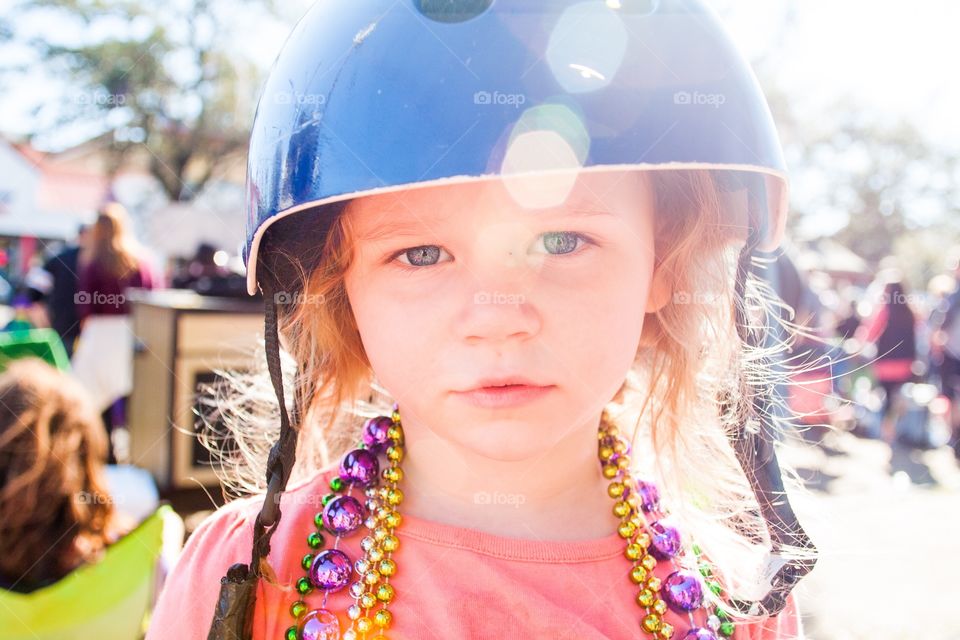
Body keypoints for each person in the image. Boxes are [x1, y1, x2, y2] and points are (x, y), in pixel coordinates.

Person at [147, 2, 816, 639]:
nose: (497, 321)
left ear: (661, 264)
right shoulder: (250, 577)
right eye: (421, 254)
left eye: (562, 241)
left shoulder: (739, 599)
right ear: (340, 289)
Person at [69, 202, 160, 459]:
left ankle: (100, 455)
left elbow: (85, 307)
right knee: (135, 398)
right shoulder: (142, 261)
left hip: (101, 336)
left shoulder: (92, 261)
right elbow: (153, 301)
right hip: (135, 336)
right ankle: (137, 456)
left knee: (96, 403)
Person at [856, 275, 919, 446]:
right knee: (896, 397)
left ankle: (887, 432)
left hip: (885, 363)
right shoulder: (910, 311)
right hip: (905, 362)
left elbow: (869, 333)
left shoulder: (883, 311)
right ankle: (893, 428)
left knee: (886, 397)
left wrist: (858, 345)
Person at [42, 222, 91, 357]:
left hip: (84, 329)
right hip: (64, 326)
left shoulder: (98, 261)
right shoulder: (61, 258)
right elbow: (34, 293)